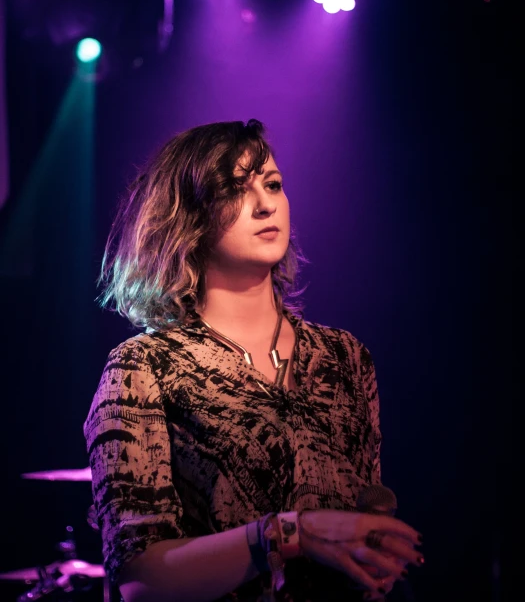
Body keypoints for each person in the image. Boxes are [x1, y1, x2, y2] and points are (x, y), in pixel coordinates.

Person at [83, 118, 423, 602]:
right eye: (236, 190)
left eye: (274, 184)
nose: (266, 203)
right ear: (188, 218)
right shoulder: (143, 369)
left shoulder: (345, 357)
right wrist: (291, 534)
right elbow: (141, 580)